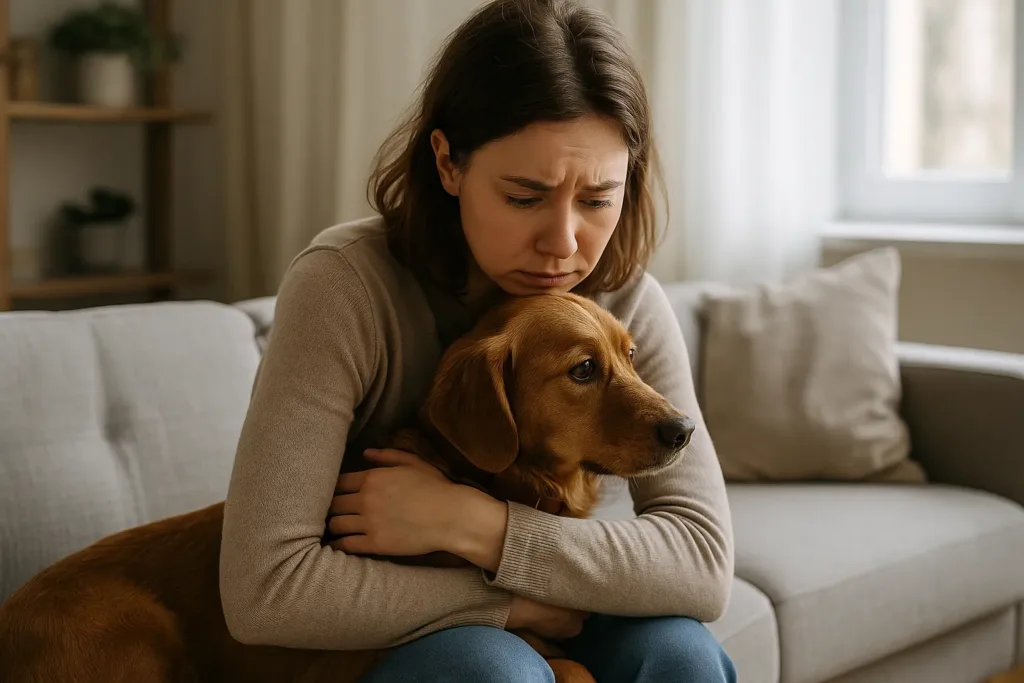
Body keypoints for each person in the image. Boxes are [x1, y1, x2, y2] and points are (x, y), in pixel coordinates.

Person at [219, 0, 737, 681]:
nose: (563, 244)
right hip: (390, 630)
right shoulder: (343, 286)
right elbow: (266, 591)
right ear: (448, 163)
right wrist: (511, 605)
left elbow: (701, 567)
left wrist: (476, 526)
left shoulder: (624, 297)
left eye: (597, 198)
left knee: (681, 655)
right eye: (525, 196)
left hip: (520, 576)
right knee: (493, 670)